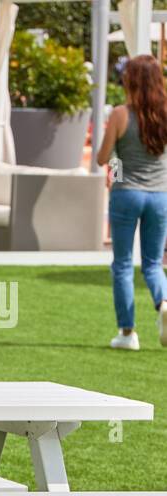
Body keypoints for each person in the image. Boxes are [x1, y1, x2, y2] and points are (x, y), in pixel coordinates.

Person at [98, 54, 167, 351]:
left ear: (130, 81)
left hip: (126, 194)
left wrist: (116, 173)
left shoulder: (120, 114)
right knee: (153, 263)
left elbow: (105, 157)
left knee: (123, 265)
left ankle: (127, 333)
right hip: (160, 195)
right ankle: (164, 301)